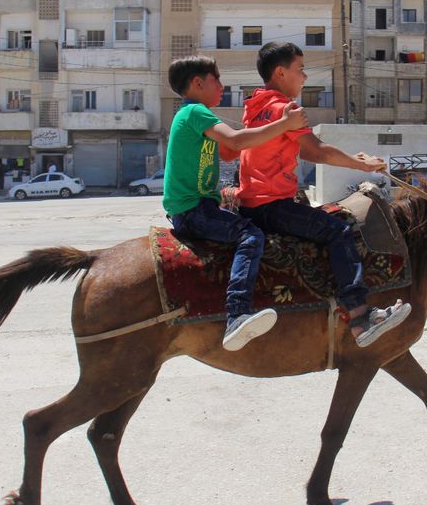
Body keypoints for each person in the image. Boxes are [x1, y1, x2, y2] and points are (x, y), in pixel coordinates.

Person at [236, 41, 411, 348]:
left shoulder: (256, 108)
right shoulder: (284, 109)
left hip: (252, 204)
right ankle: (360, 316)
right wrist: (361, 164)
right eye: (300, 70)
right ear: (280, 73)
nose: (304, 77)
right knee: (339, 231)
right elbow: (315, 151)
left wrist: (355, 161)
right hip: (272, 204)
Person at [163, 55, 309, 351]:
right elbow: (239, 142)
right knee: (250, 235)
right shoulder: (195, 112)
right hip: (194, 210)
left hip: (197, 208)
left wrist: (259, 133)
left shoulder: (194, 117)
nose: (222, 86)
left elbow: (232, 152)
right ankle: (237, 313)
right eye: (216, 80)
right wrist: (284, 124)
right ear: (198, 83)